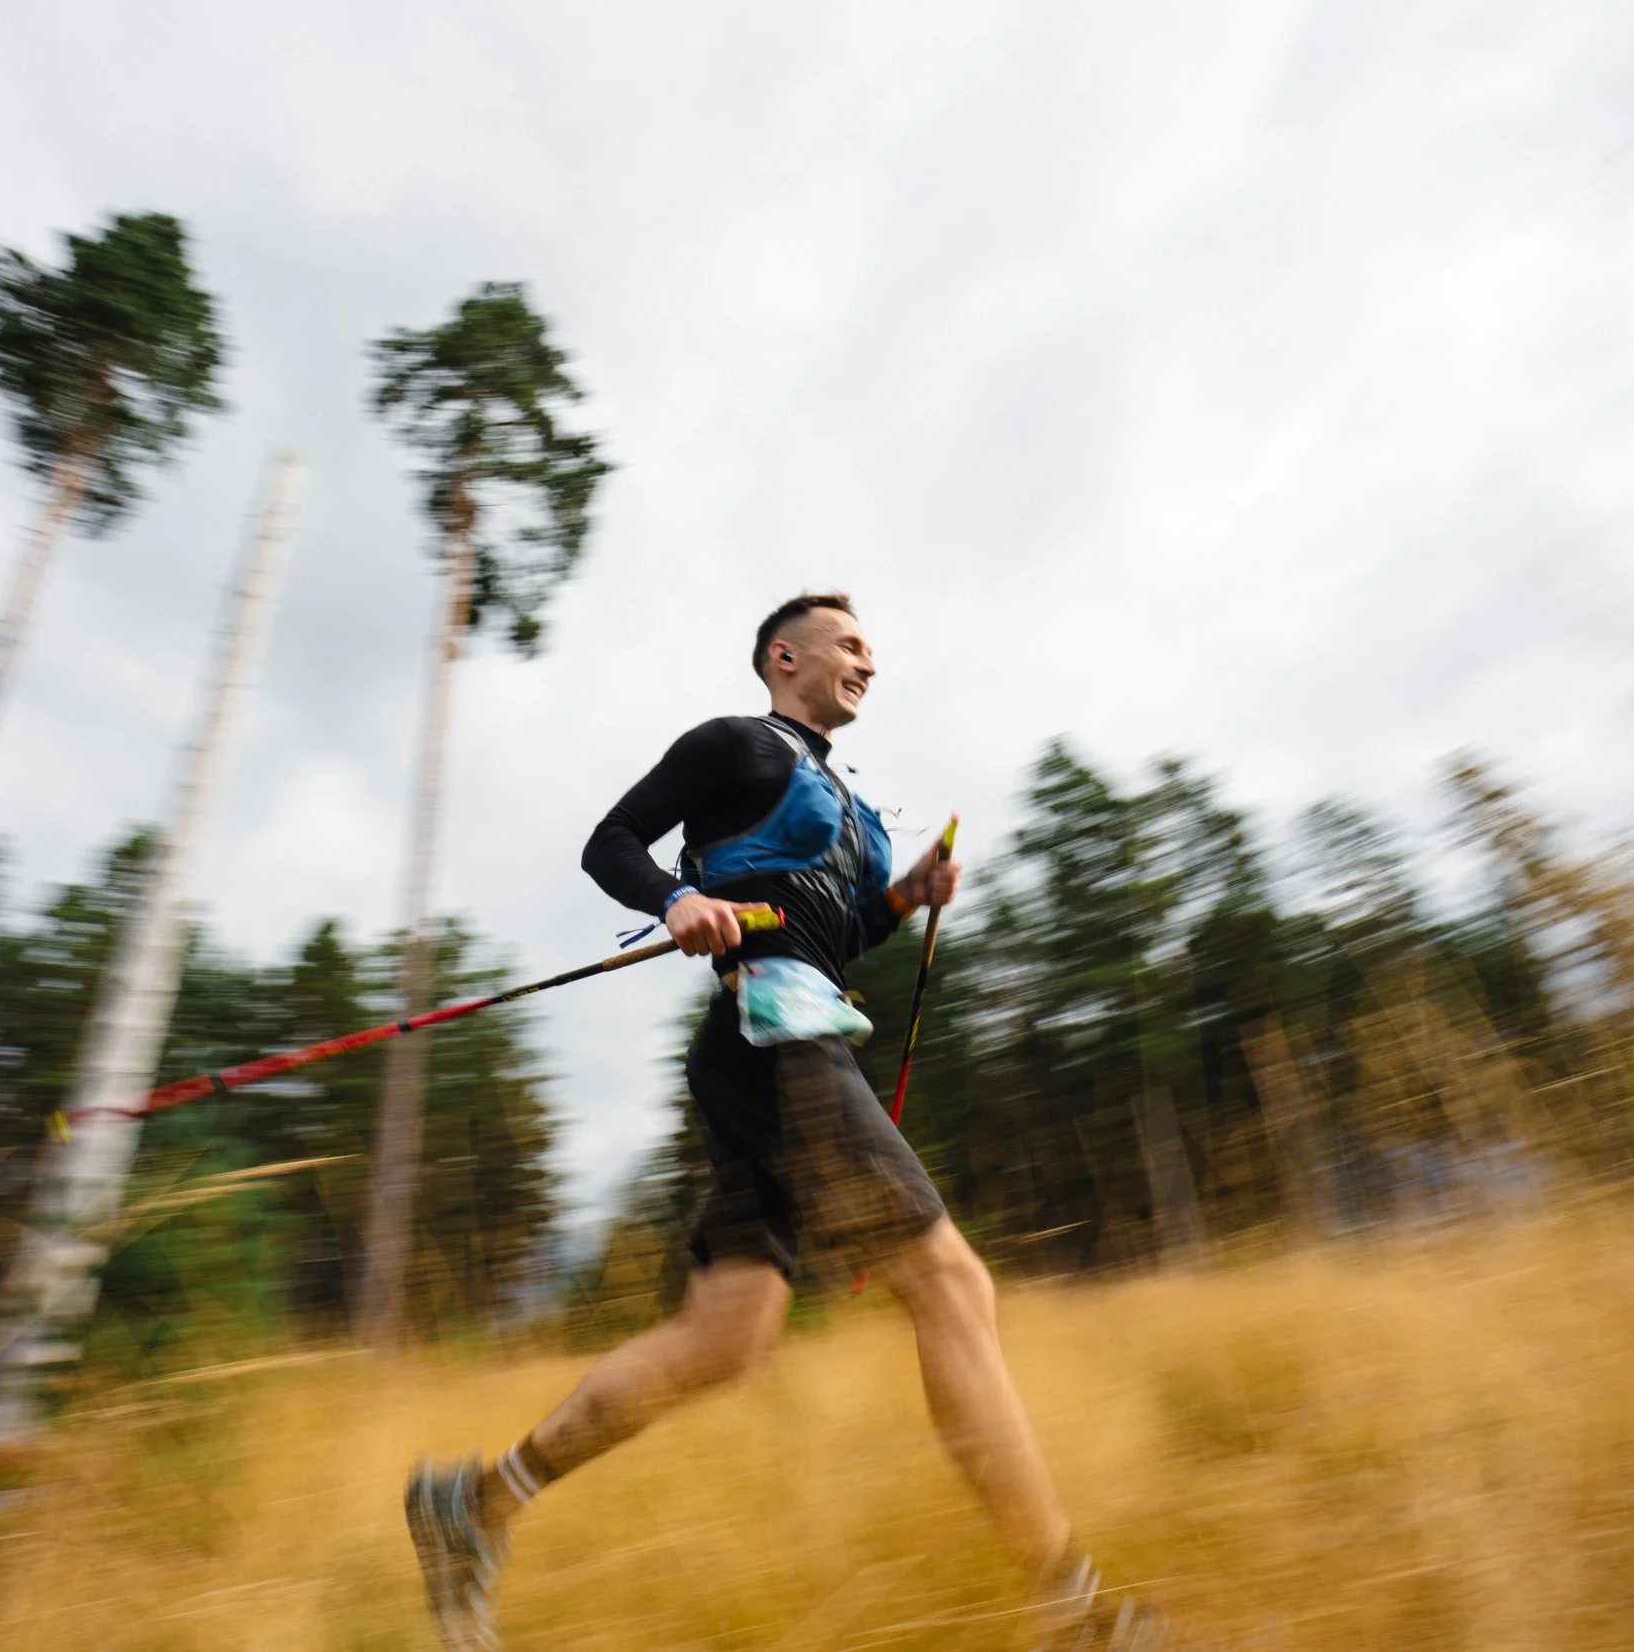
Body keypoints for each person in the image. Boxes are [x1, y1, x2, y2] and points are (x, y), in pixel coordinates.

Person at [406, 594, 1161, 1650]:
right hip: (771, 1034)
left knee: (730, 1336)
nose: (867, 661)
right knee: (950, 1282)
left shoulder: (853, 810)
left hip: (778, 1038)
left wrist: (903, 898)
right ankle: (1074, 1612)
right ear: (784, 654)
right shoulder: (734, 745)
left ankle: (476, 1502)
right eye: (849, 642)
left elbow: (834, 934)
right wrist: (674, 899)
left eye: (870, 648)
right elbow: (609, 840)